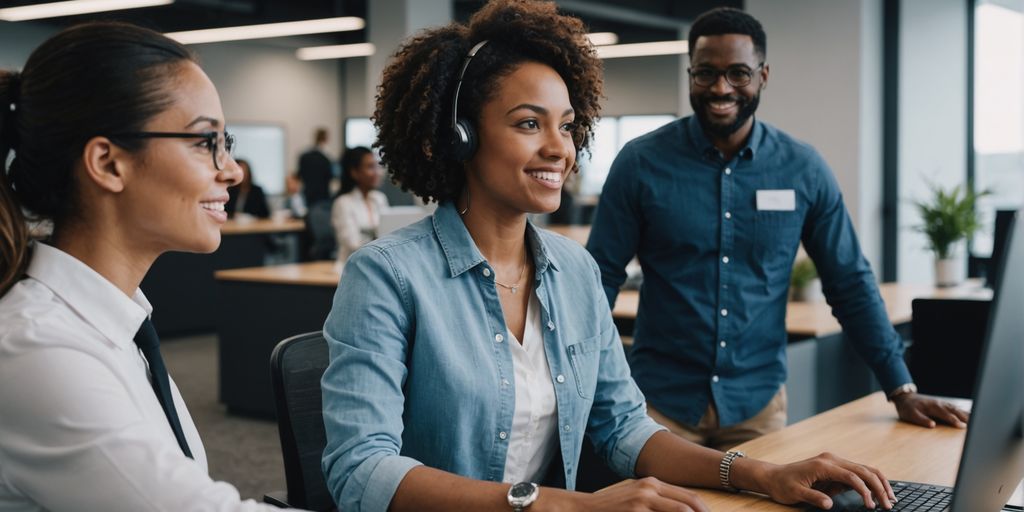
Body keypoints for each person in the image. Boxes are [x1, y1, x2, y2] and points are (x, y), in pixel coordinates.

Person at [320, 2, 897, 511]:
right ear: (461, 136)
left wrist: (762, 474)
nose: (559, 148)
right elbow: (360, 471)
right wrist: (561, 506)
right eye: (529, 124)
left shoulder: (573, 271)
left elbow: (622, 426)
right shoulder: (387, 276)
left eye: (568, 127)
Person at [586, 7, 970, 451]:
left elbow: (849, 281)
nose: (721, 88)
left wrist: (900, 388)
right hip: (656, 404)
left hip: (758, 406)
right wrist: (589, 384)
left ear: (763, 76)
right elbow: (598, 281)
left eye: (738, 73)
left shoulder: (802, 168)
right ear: (690, 73)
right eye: (706, 73)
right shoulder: (640, 163)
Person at [0, 22, 301, 511]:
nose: (232, 170)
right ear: (108, 163)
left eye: (226, 142)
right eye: (205, 142)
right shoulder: (37, 349)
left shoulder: (117, 324)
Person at [330, 146, 388, 267]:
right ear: (354, 173)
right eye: (370, 167)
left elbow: (389, 231)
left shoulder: (380, 199)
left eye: (376, 166)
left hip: (379, 264)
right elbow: (353, 244)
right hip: (353, 266)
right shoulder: (343, 203)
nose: (376, 172)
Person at [296, 127, 333, 209]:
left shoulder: (304, 156)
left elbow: (300, 175)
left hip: (308, 195)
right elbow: (330, 176)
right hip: (322, 196)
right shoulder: (326, 158)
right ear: (325, 139)